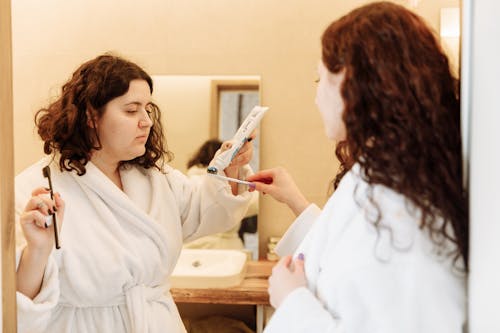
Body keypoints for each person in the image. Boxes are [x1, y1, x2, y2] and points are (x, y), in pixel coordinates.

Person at [247, 2, 468, 332]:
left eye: (320, 79)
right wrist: (295, 200)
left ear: (353, 85)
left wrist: (293, 301)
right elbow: (352, 257)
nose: (316, 97)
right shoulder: (385, 175)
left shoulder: (402, 208)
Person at [15, 54, 254, 333]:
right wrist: (38, 250)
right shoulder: (36, 188)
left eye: (147, 109)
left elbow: (206, 210)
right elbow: (17, 303)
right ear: (92, 115)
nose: (146, 121)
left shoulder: (155, 177)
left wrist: (231, 168)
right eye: (131, 110)